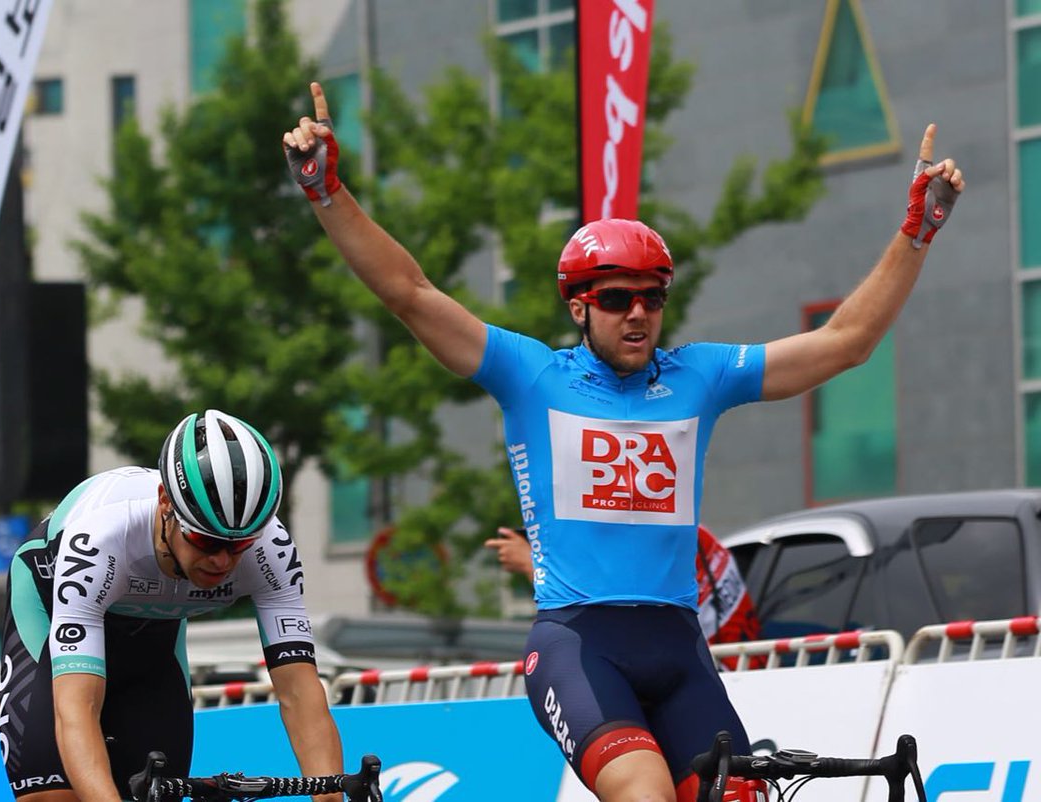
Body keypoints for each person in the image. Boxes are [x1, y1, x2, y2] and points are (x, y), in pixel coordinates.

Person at [282, 81, 962, 802]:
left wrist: (915, 233)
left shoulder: (700, 376)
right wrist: (328, 192)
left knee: (738, 799)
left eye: (652, 297)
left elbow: (846, 343)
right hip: (578, 646)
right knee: (646, 795)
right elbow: (409, 292)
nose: (637, 314)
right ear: (579, 306)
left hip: (678, 647)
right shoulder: (532, 376)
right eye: (615, 299)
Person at [0, 409, 342, 801]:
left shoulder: (271, 551)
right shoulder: (101, 540)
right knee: (54, 796)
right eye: (207, 542)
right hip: (51, 608)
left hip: (154, 636)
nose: (223, 561)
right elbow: (75, 710)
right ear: (165, 504)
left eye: (239, 546)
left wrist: (329, 796)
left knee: (155, 793)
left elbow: (300, 692)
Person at [485, 524, 760, 647]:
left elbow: (594, 621)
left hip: (714, 681)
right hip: (737, 673)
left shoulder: (647, 547)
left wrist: (530, 566)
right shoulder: (695, 534)